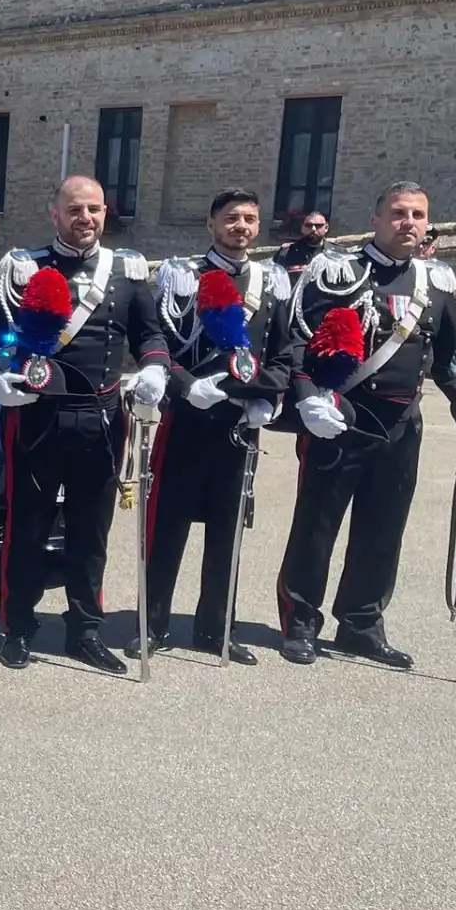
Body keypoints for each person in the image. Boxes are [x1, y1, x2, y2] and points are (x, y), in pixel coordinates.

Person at [274, 181, 456, 668]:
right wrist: (307, 397)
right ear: (375, 219)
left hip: (401, 422)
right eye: (398, 213)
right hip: (341, 416)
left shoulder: (436, 282)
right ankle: (301, 621)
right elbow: (297, 342)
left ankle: (362, 624)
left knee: (382, 528)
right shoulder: (337, 271)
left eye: (417, 214)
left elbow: (450, 357)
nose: (408, 222)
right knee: (317, 525)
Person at [0, 176, 171, 674]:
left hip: (102, 418)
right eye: (75, 209)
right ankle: (18, 626)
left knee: (91, 530)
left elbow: (150, 334)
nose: (86, 218)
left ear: (106, 213)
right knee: (28, 527)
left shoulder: (125, 271)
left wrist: (153, 367)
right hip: (37, 415)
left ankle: (84, 630)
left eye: (95, 209)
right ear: (54, 213)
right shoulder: (23, 268)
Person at [135, 189, 294, 665]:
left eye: (249, 219)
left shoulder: (272, 282)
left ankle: (214, 627)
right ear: (211, 224)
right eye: (231, 218)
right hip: (188, 419)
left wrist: (267, 399)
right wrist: (183, 387)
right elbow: (159, 341)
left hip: (239, 424)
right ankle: (154, 624)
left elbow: (286, 352)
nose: (241, 226)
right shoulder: (183, 276)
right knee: (167, 528)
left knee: (228, 532)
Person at [275, 209, 329, 277]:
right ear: (302, 228)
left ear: (326, 227)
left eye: (318, 225)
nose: (313, 229)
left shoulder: (336, 254)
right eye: (309, 225)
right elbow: (276, 277)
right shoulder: (287, 252)